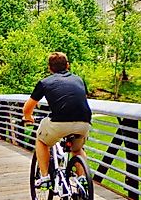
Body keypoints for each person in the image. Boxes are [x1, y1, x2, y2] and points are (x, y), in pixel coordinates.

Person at [22, 52, 91, 187]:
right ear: (68, 65)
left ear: (49, 68)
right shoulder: (79, 79)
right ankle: (82, 178)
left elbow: (27, 108)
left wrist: (28, 117)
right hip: (84, 122)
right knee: (77, 149)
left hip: (59, 123)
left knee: (41, 141)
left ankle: (45, 177)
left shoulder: (45, 82)